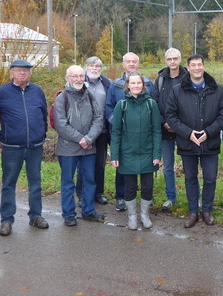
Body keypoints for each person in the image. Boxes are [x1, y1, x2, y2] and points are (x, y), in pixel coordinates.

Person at [166, 54, 223, 228]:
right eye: (193, 65)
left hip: (210, 142)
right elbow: (171, 115)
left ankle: (207, 211)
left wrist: (208, 132)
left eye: (199, 64)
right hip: (188, 143)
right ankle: (193, 211)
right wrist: (188, 133)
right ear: (188, 68)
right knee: (191, 179)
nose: (196, 68)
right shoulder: (178, 90)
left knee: (210, 178)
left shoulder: (217, 89)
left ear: (203, 66)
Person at [0, 59, 49, 236]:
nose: (22, 73)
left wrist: (42, 134)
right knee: (9, 183)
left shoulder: (37, 91)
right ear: (11, 73)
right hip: (12, 147)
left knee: (35, 182)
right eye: (18, 70)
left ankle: (35, 215)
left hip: (34, 146)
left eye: (26, 70)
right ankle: (7, 220)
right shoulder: (1, 93)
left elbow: (43, 115)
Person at [110, 71, 162, 230]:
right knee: (130, 187)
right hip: (127, 153)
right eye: (132, 83)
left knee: (147, 186)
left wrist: (156, 154)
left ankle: (145, 215)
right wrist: (115, 155)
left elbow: (156, 131)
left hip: (147, 152)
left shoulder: (151, 104)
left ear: (143, 85)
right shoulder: (121, 105)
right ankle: (132, 216)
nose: (136, 86)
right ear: (128, 86)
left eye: (138, 83)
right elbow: (116, 132)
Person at [54, 65, 105, 226]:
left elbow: (98, 118)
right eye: (74, 76)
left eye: (81, 76)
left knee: (89, 180)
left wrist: (89, 138)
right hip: (68, 148)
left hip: (89, 148)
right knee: (68, 182)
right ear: (68, 78)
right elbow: (61, 124)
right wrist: (81, 139)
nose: (78, 79)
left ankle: (89, 211)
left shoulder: (89, 95)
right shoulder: (62, 98)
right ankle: (69, 214)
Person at [105, 52, 153, 212]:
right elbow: (108, 106)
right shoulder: (115, 84)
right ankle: (121, 197)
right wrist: (119, 122)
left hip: (143, 134)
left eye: (134, 61)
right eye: (128, 61)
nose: (131, 64)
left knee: (146, 169)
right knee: (122, 167)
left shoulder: (147, 83)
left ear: (138, 64)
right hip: (122, 134)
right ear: (123, 64)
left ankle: (146, 198)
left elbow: (153, 105)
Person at [151, 48, 188, 211]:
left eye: (175, 58)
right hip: (165, 130)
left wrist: (179, 125)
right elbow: (154, 104)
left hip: (184, 131)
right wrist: (163, 122)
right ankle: (171, 197)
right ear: (166, 61)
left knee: (190, 166)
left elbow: (192, 104)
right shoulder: (160, 80)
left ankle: (193, 198)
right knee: (168, 166)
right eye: (169, 59)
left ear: (180, 60)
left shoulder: (188, 78)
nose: (172, 62)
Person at [76, 56, 111, 207]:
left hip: (102, 130)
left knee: (99, 163)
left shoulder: (107, 83)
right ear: (86, 68)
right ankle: (82, 194)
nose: (95, 69)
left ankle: (98, 193)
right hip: (84, 131)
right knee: (83, 164)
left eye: (97, 66)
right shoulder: (80, 83)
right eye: (91, 66)